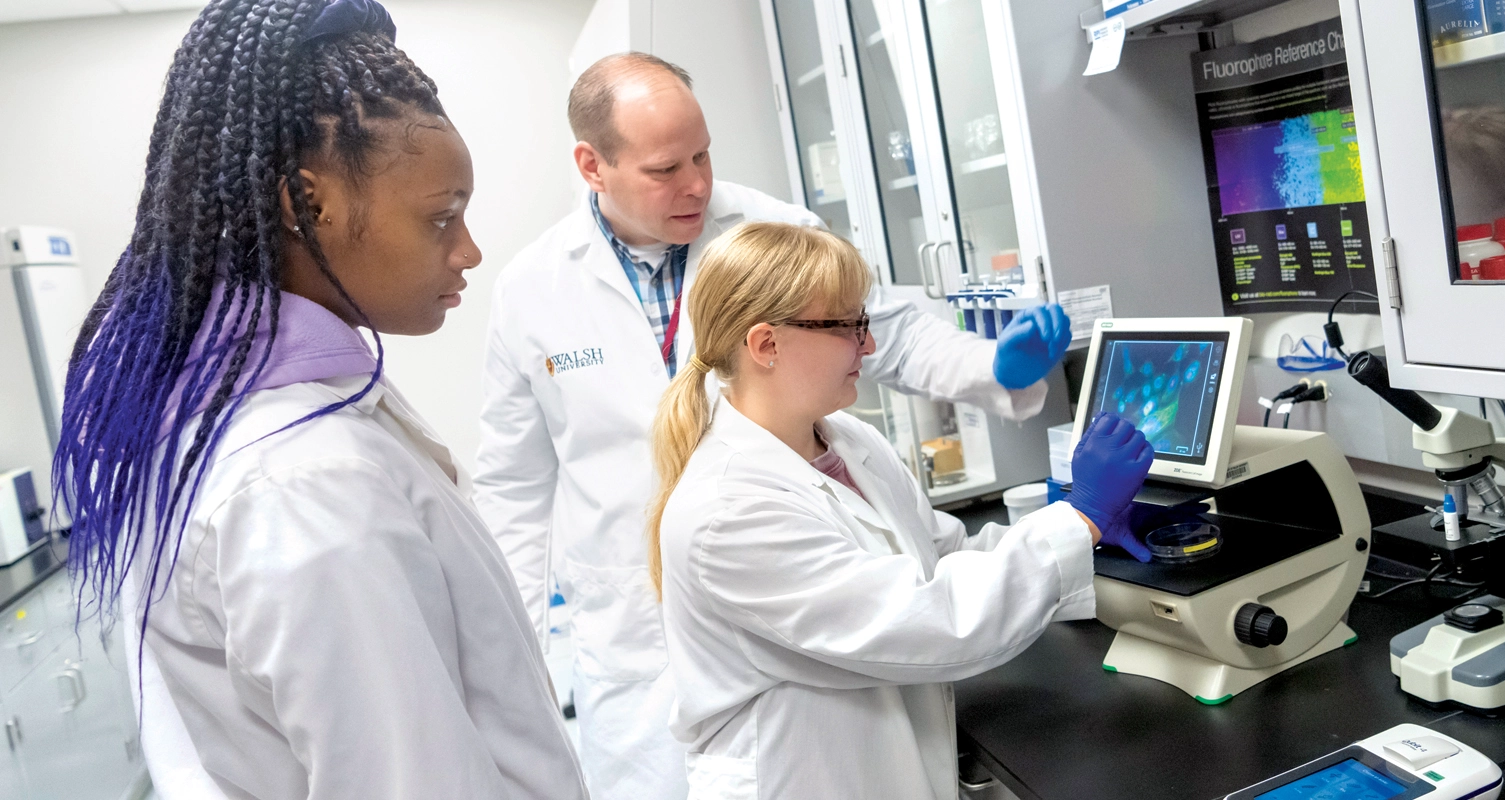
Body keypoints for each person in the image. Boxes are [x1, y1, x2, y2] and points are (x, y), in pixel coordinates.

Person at [474, 52, 1075, 798]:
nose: (697, 182)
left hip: (796, 629)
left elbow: (881, 329)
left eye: (703, 154)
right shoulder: (533, 289)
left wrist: (993, 366)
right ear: (592, 165)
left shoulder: (772, 226)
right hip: (632, 646)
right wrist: (513, 675)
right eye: (666, 169)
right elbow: (513, 490)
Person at [51, 1, 587, 797]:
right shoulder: (307, 484)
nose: (469, 250)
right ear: (307, 204)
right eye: (441, 218)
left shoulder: (227, 420)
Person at [649, 221, 1153, 800]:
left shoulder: (847, 440)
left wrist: (1081, 530)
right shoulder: (725, 512)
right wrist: (1079, 517)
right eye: (846, 326)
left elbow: (942, 558)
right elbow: (930, 620)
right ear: (766, 345)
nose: (867, 345)